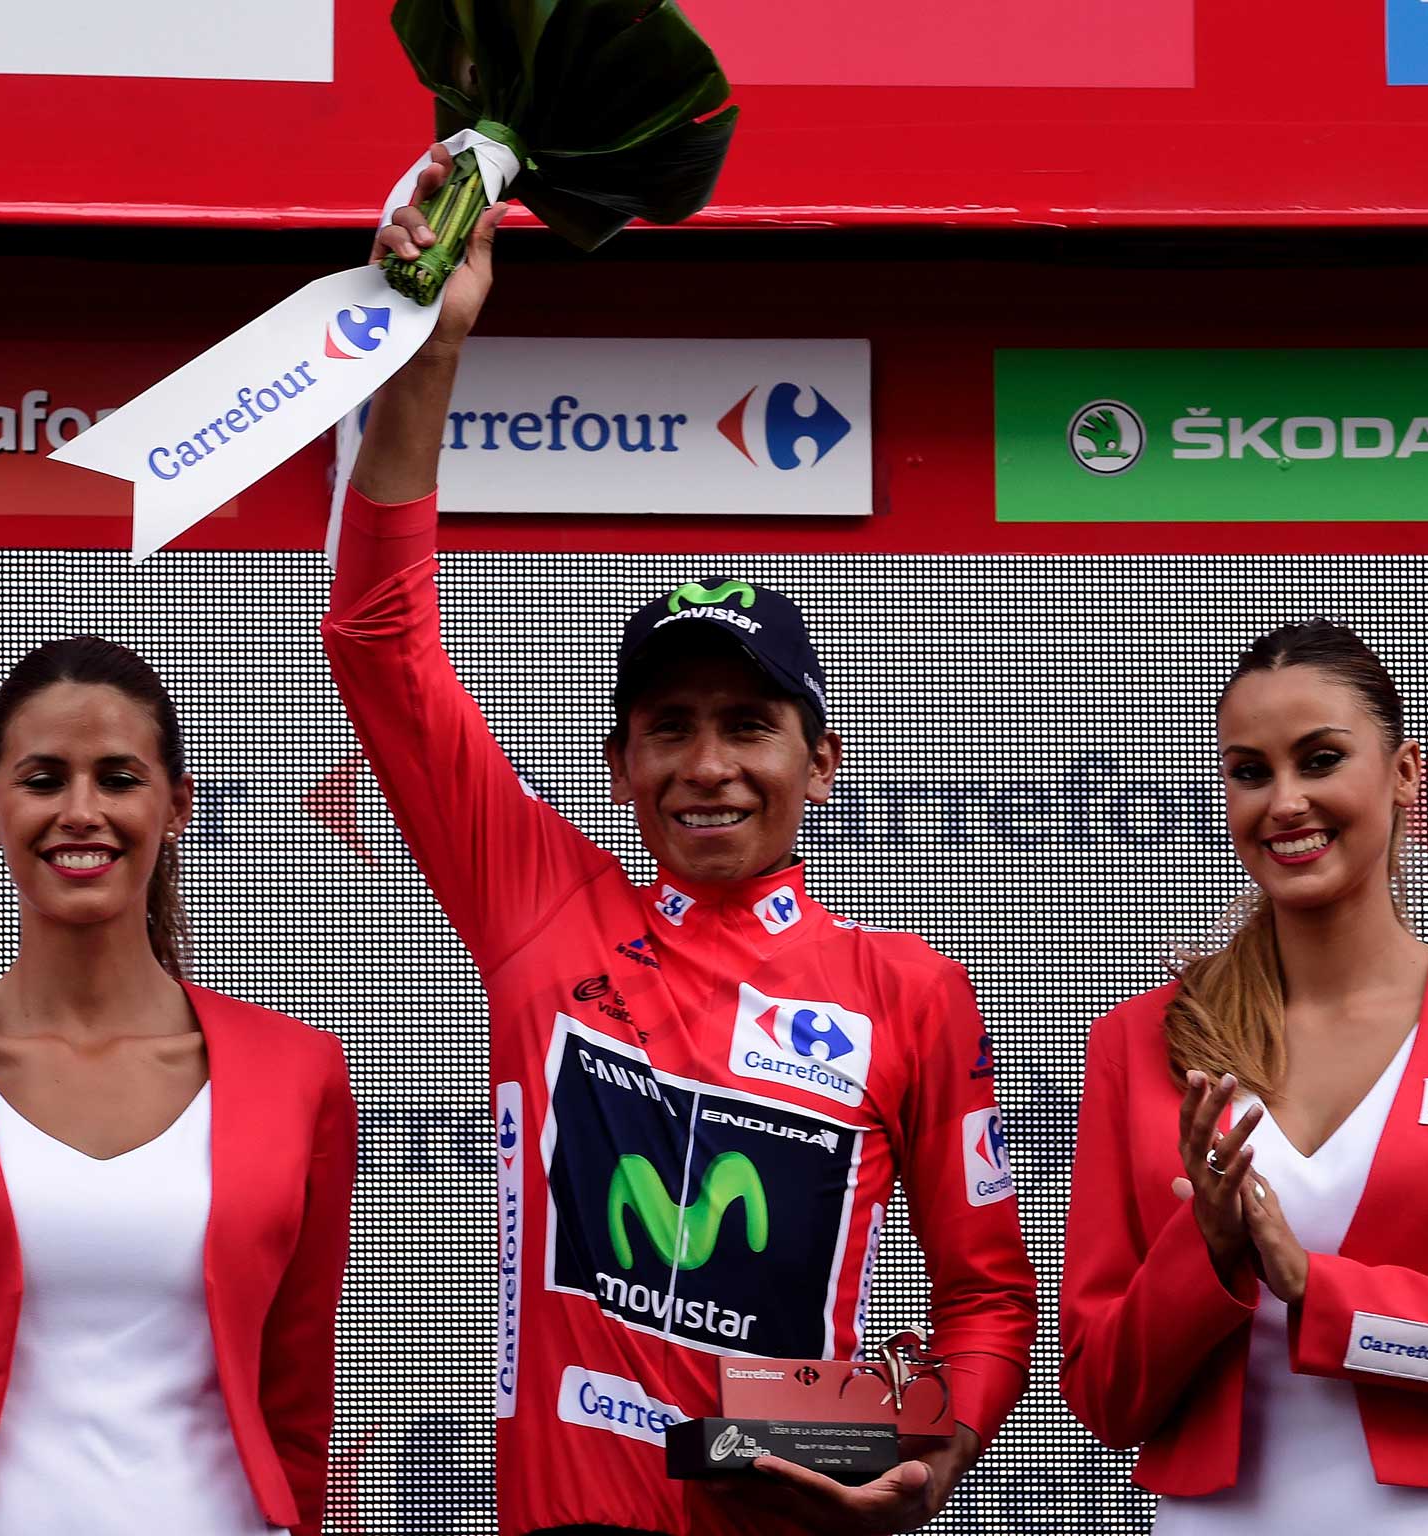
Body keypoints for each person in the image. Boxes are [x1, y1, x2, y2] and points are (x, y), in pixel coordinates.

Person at [319, 147, 1035, 1536]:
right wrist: (430, 346)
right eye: (670, 726)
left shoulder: (911, 993)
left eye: (749, 726)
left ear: (820, 767)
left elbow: (990, 1299)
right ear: (620, 764)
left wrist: (935, 1454)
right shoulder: (545, 907)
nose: (709, 765)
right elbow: (378, 641)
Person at [1059, 621, 1428, 1531]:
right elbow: (1102, 1396)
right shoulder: (1142, 1040)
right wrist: (1206, 1252)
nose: (1285, 801)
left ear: (1404, 774)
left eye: (1320, 759)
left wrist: (1319, 1291)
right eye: (1250, 771)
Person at [0, 638, 355, 1536]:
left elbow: (297, 1405)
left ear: (176, 805)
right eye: (45, 778)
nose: (82, 811)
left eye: (120, 777)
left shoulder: (300, 1073)